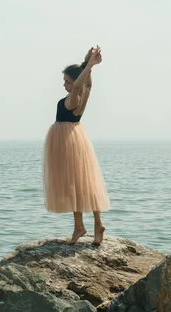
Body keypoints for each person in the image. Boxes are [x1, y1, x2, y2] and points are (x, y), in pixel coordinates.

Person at [42, 46, 111, 245]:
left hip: (66, 142)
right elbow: (86, 84)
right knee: (86, 182)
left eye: (67, 81)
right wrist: (87, 64)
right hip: (77, 137)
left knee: (73, 183)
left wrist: (88, 65)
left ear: (74, 84)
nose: (65, 85)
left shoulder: (73, 98)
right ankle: (97, 224)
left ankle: (79, 226)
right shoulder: (84, 94)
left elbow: (79, 84)